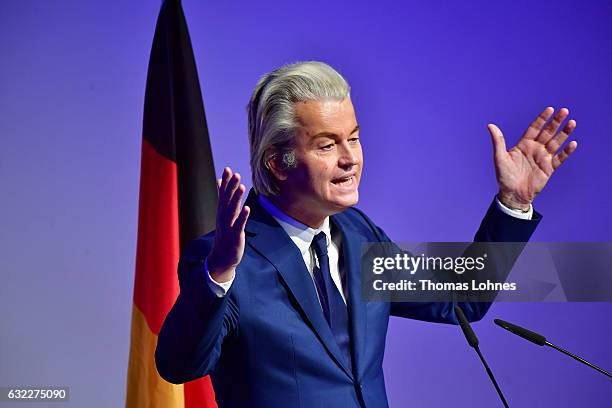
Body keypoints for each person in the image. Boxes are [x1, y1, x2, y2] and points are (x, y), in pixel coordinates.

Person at [155, 61, 577, 407]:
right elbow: (179, 366)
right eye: (327, 145)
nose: (349, 159)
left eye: (353, 139)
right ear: (277, 162)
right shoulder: (222, 258)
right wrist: (220, 273)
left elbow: (459, 297)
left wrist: (514, 203)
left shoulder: (358, 236)